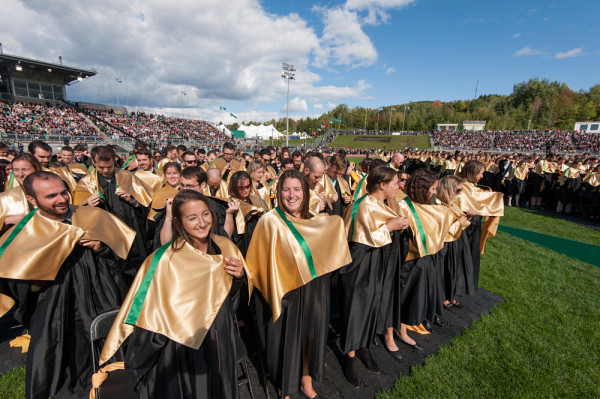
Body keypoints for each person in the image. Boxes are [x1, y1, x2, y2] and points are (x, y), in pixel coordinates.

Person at [98, 190, 247, 398]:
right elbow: (149, 314)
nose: (202, 223)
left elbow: (227, 296)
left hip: (220, 336)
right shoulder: (164, 259)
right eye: (192, 218)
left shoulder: (224, 246)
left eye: (205, 214)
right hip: (183, 344)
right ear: (178, 222)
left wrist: (239, 277)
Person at [0, 171, 135, 399]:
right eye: (51, 196)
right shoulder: (23, 235)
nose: (62, 199)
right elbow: (13, 284)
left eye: (64, 192)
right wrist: (34, 283)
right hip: (56, 311)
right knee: (59, 368)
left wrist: (101, 248)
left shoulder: (93, 217)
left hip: (102, 301)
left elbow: (125, 262)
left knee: (114, 366)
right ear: (32, 200)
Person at [245, 169, 352, 399]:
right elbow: (257, 264)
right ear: (278, 192)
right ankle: (285, 383)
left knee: (309, 337)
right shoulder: (269, 221)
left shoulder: (313, 219)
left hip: (312, 289)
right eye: (286, 189)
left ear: (305, 192)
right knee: (286, 340)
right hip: (286, 293)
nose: (291, 195)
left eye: (296, 189)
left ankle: (306, 379)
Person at [339, 166, 409, 386]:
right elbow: (361, 240)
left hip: (377, 262)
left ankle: (364, 346)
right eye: (395, 183)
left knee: (373, 304)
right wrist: (390, 226)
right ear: (382, 184)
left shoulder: (382, 204)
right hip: (361, 264)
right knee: (357, 308)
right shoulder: (363, 206)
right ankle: (349, 356)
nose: (398, 187)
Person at [73, 145, 153, 263]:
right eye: (101, 167)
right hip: (106, 234)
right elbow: (78, 215)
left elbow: (147, 205)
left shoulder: (127, 177)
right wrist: (88, 206)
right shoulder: (85, 183)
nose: (106, 171)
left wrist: (132, 201)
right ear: (93, 162)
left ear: (114, 160)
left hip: (131, 228)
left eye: (109, 167)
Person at [458, 160, 504, 290]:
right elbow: (478, 198)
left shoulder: (470, 187)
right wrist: (497, 198)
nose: (482, 176)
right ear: (473, 173)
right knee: (462, 258)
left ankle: (458, 289)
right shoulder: (464, 187)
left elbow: (480, 196)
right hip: (465, 228)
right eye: (481, 173)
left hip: (472, 226)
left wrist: (496, 197)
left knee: (468, 257)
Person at [436, 175, 474, 308]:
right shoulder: (438, 204)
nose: (459, 194)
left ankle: (449, 296)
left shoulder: (452, 202)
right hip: (445, 243)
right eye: (457, 190)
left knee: (453, 270)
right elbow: (441, 230)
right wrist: (459, 223)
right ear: (448, 189)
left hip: (455, 240)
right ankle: (442, 298)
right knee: (443, 271)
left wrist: (467, 218)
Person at [0, 154, 41, 234]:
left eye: (25, 170)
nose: (20, 174)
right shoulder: (4, 198)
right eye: (16, 170)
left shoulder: (52, 192)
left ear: (36, 169)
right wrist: (5, 221)